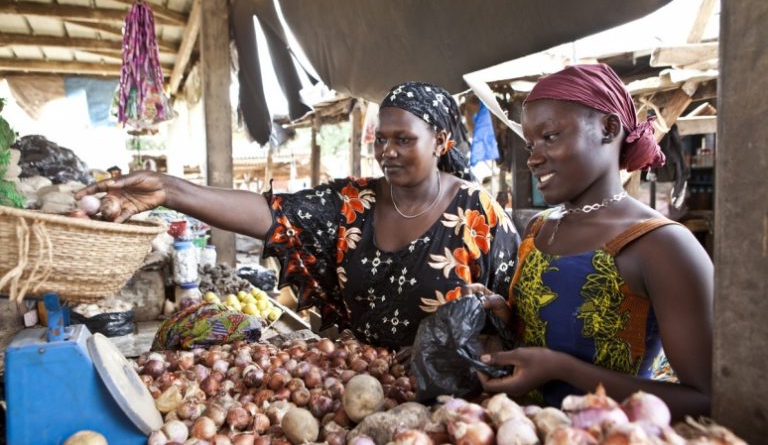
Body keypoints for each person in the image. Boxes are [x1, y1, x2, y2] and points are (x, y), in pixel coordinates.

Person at [76, 81, 519, 350]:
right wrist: (169, 190)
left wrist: (461, 348)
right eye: (381, 139)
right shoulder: (352, 204)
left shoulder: (479, 216)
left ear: (440, 140)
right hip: (358, 387)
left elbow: (510, 318)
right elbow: (270, 214)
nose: (387, 152)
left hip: (450, 403)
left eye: (403, 139)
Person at [475, 64, 713, 421]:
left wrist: (563, 369)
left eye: (551, 136)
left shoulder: (661, 244)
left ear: (609, 128)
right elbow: (549, 333)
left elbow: (706, 398)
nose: (534, 158)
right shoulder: (539, 229)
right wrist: (506, 323)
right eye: (530, 144)